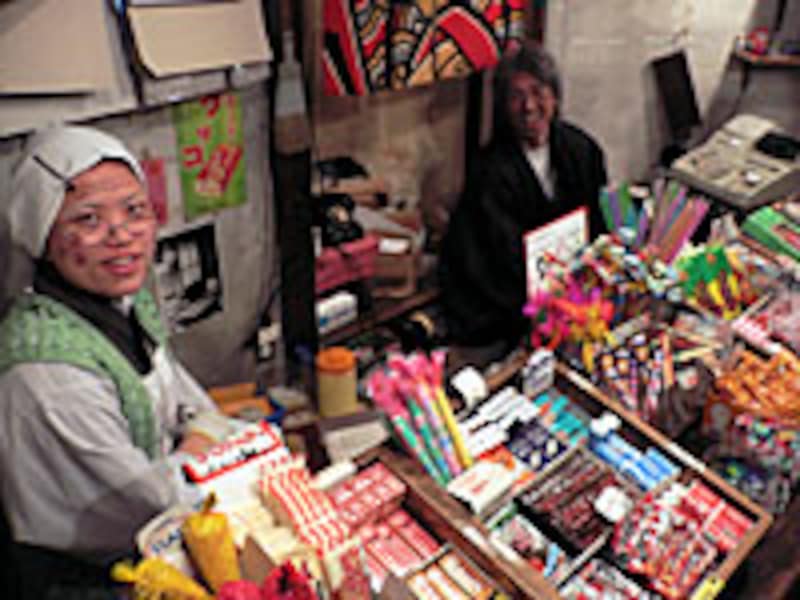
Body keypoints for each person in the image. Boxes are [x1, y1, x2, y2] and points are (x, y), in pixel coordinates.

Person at [0, 125, 236, 599]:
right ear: (43, 235)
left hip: (153, 542)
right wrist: (201, 443)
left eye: (135, 211)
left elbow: (194, 405)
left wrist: (201, 435)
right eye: (88, 220)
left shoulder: (122, 306)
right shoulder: (48, 374)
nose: (122, 236)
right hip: (89, 581)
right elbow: (150, 502)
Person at [439, 42, 608, 359]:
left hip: (570, 293)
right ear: (503, 106)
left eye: (538, 91)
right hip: (510, 303)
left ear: (555, 97)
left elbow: (597, 224)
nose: (528, 106)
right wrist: (544, 307)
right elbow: (496, 257)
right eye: (516, 96)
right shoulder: (490, 170)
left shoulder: (582, 150)